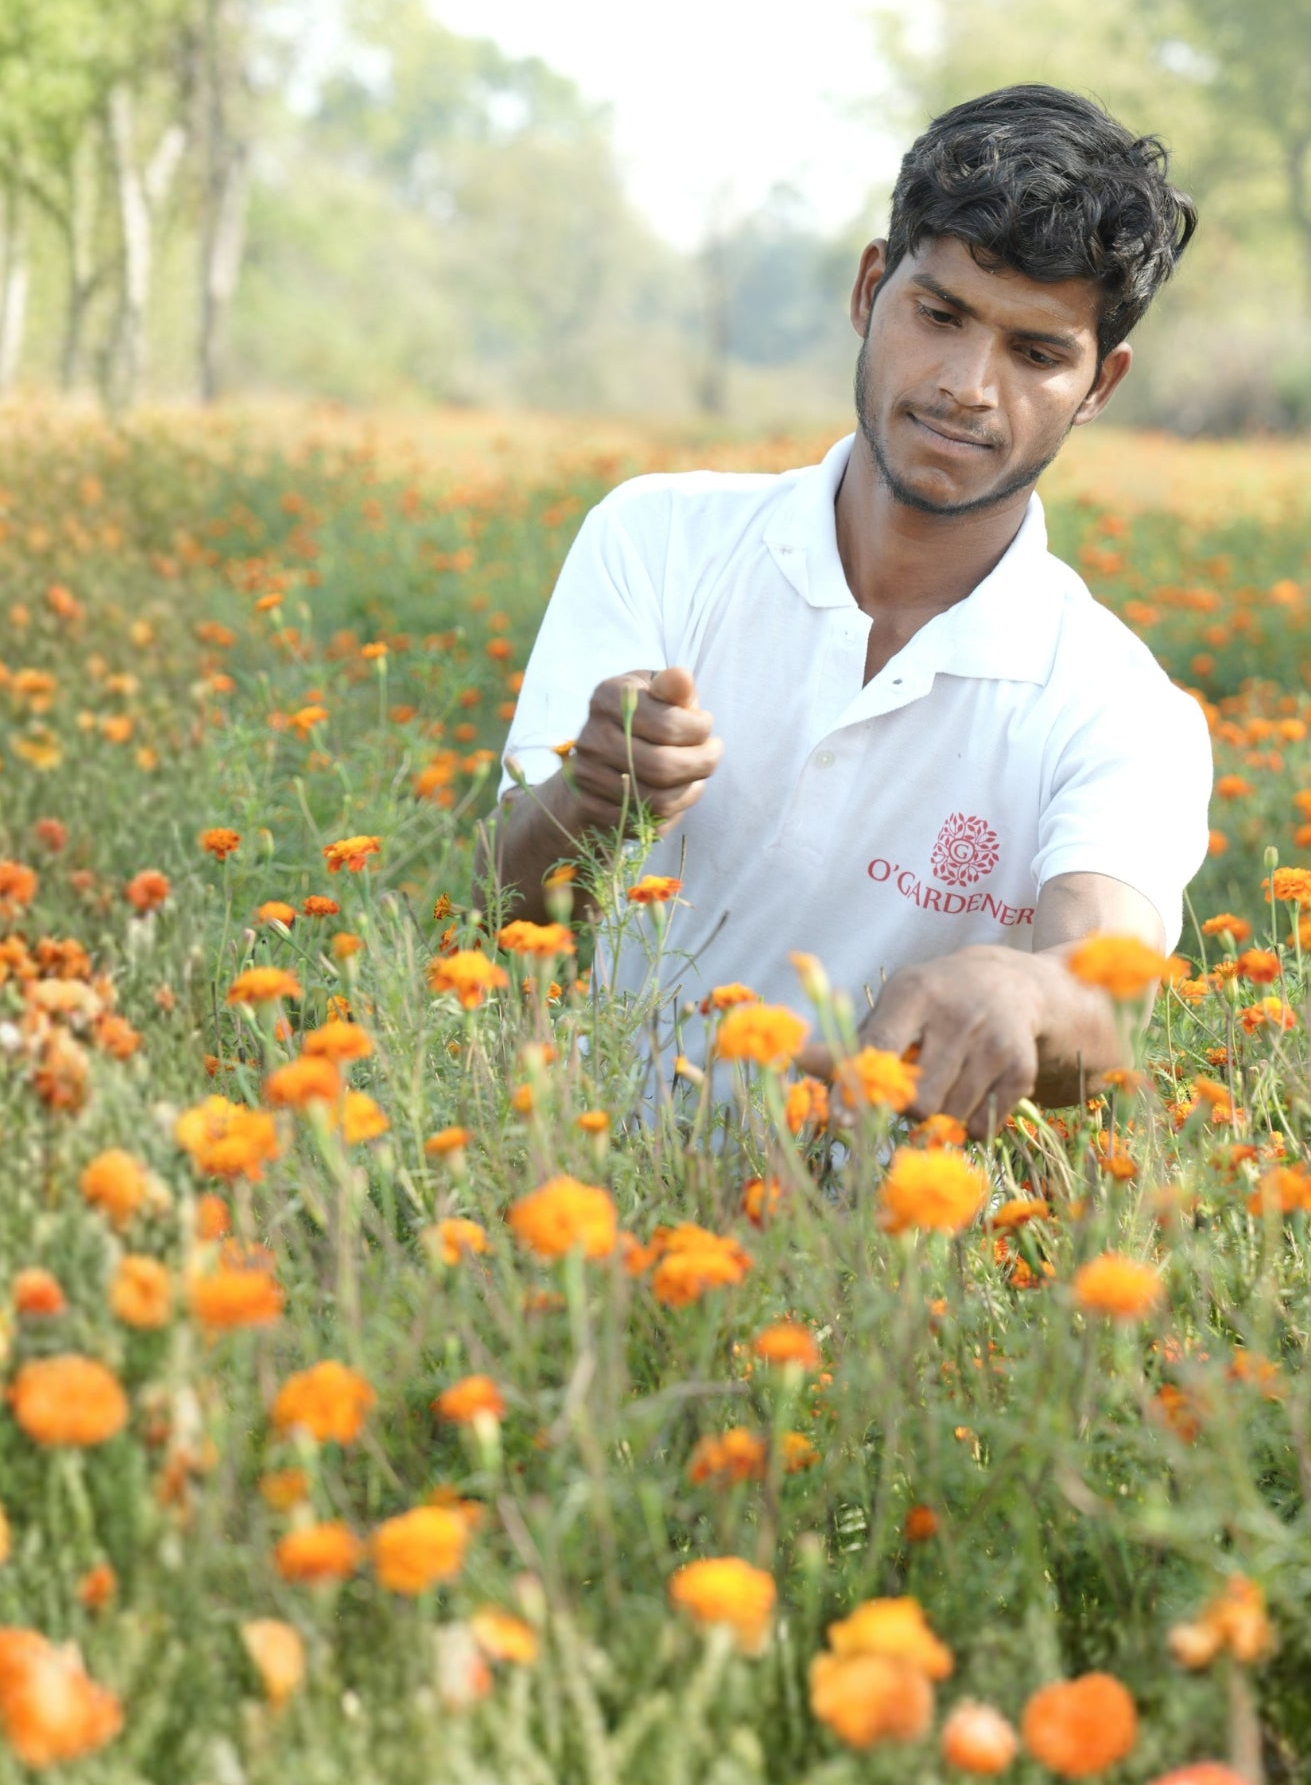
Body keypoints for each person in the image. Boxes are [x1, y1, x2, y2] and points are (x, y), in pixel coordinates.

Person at [485, 84, 1211, 1132]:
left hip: (870, 1264)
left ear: (1100, 385)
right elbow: (503, 903)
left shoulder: (1120, 708)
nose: (968, 385)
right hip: (596, 1201)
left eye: (1037, 353)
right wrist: (591, 797)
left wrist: (1027, 993)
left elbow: (1110, 991)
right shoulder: (660, 540)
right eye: (941, 314)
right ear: (873, 288)